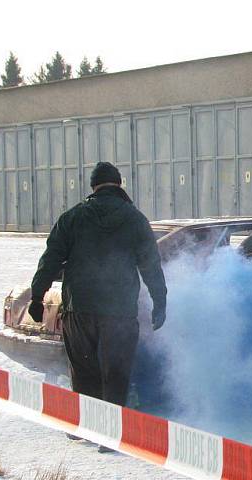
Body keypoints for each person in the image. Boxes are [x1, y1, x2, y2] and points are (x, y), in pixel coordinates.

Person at [29, 162, 167, 441]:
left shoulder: (73, 217)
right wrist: (159, 299)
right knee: (116, 373)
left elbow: (50, 259)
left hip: (79, 308)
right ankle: (111, 436)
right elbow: (150, 264)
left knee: (83, 369)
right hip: (119, 311)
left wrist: (37, 295)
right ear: (119, 184)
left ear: (93, 186)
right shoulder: (135, 219)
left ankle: (87, 427)